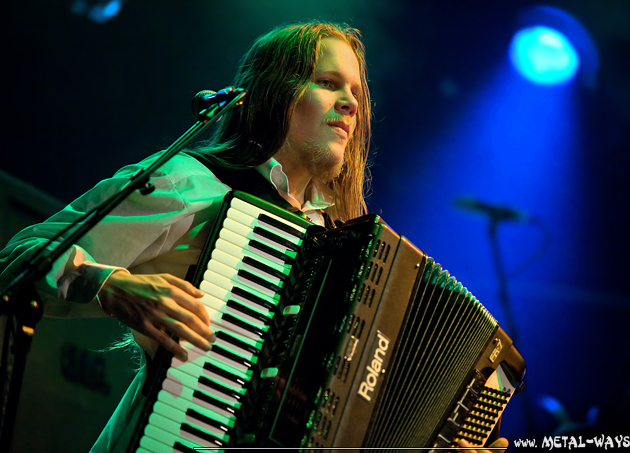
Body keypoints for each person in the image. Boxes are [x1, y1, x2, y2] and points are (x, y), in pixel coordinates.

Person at [0, 21, 507, 453]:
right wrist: (112, 287)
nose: (351, 104)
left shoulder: (340, 246)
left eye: (356, 92)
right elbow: (19, 258)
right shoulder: (193, 183)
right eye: (329, 83)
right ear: (275, 92)